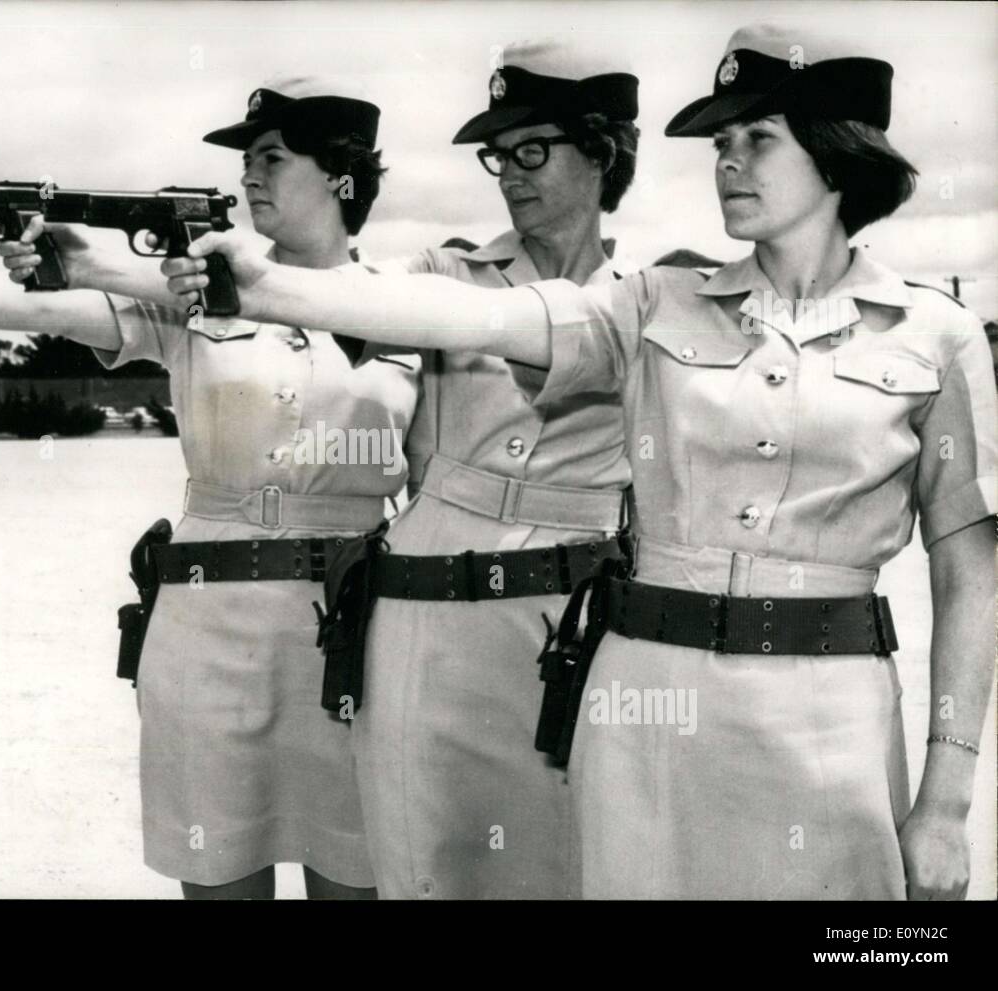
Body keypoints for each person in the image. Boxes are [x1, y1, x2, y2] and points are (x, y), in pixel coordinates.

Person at [163, 26, 997, 900]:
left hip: (833, 721)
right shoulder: (653, 302)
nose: (728, 163)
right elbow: (471, 318)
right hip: (646, 705)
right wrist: (259, 285)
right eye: (721, 143)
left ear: (837, 153)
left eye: (758, 139)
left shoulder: (937, 335)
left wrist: (945, 799)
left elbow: (970, 571)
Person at [0, 77, 419, 900]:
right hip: (208, 631)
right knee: (218, 875)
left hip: (351, 637)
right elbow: (46, 314)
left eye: (271, 158)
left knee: (358, 882)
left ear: (342, 176)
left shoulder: (412, 311)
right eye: (247, 161)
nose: (249, 177)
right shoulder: (186, 298)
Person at [319, 41, 641, 899]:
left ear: (604, 151)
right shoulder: (443, 275)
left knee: (574, 865)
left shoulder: (650, 300)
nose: (509, 172)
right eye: (499, 154)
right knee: (429, 864)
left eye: (532, 148)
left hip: (572, 634)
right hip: (427, 616)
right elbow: (343, 293)